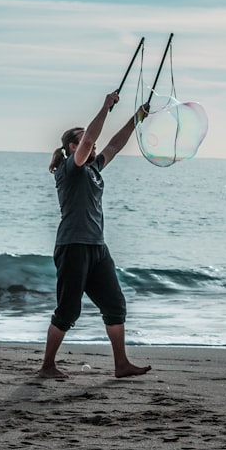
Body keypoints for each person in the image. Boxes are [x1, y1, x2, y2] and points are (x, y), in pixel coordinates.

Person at [41, 91, 151, 379]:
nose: (91, 142)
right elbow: (91, 138)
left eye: (88, 138)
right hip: (73, 245)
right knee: (67, 311)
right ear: (72, 146)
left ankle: (121, 365)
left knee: (115, 306)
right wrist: (105, 107)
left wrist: (136, 118)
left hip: (97, 247)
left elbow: (114, 145)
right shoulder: (70, 169)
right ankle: (47, 366)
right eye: (83, 137)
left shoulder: (92, 168)